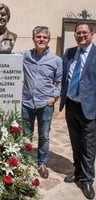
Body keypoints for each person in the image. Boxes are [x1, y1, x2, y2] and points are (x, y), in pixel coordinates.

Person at [15, 26, 62, 179]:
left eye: (44, 37)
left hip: (45, 105)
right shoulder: (25, 55)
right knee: (26, 135)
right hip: (27, 103)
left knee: (44, 135)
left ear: (48, 40)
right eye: (38, 37)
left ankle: (42, 163)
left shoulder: (56, 60)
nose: (41, 39)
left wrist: (54, 97)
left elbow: (60, 82)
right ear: (33, 38)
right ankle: (27, 162)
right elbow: (7, 57)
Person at [60, 21, 96, 199]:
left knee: (89, 146)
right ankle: (77, 172)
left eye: (84, 32)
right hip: (71, 105)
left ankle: (88, 180)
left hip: (90, 108)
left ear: (92, 34)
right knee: (75, 142)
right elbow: (64, 76)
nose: (81, 35)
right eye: (78, 33)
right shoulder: (69, 53)